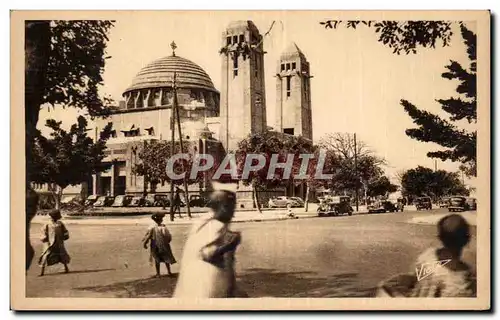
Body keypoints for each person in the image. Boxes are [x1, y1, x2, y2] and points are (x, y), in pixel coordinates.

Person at [377, 214, 476, 297]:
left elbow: (415, 279)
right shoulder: (464, 279)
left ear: (440, 237)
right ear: (466, 239)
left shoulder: (427, 257)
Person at [173, 181, 242, 298]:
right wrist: (231, 244)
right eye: (231, 207)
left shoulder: (203, 222)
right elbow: (207, 253)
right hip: (205, 291)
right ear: (222, 207)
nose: (233, 212)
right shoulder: (215, 225)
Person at [142, 213, 176, 277]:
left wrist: (145, 243)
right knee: (166, 258)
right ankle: (169, 271)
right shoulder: (164, 227)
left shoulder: (152, 227)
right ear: (161, 220)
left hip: (155, 245)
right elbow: (168, 236)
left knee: (157, 259)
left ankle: (158, 273)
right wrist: (167, 242)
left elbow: (149, 236)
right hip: (164, 245)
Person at [38, 209, 70, 276]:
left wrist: (66, 235)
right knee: (45, 255)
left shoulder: (60, 223)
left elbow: (65, 231)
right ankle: (42, 272)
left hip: (59, 242)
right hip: (50, 243)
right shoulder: (47, 224)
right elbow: (44, 232)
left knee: (62, 254)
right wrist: (44, 238)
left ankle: (66, 268)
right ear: (53, 216)